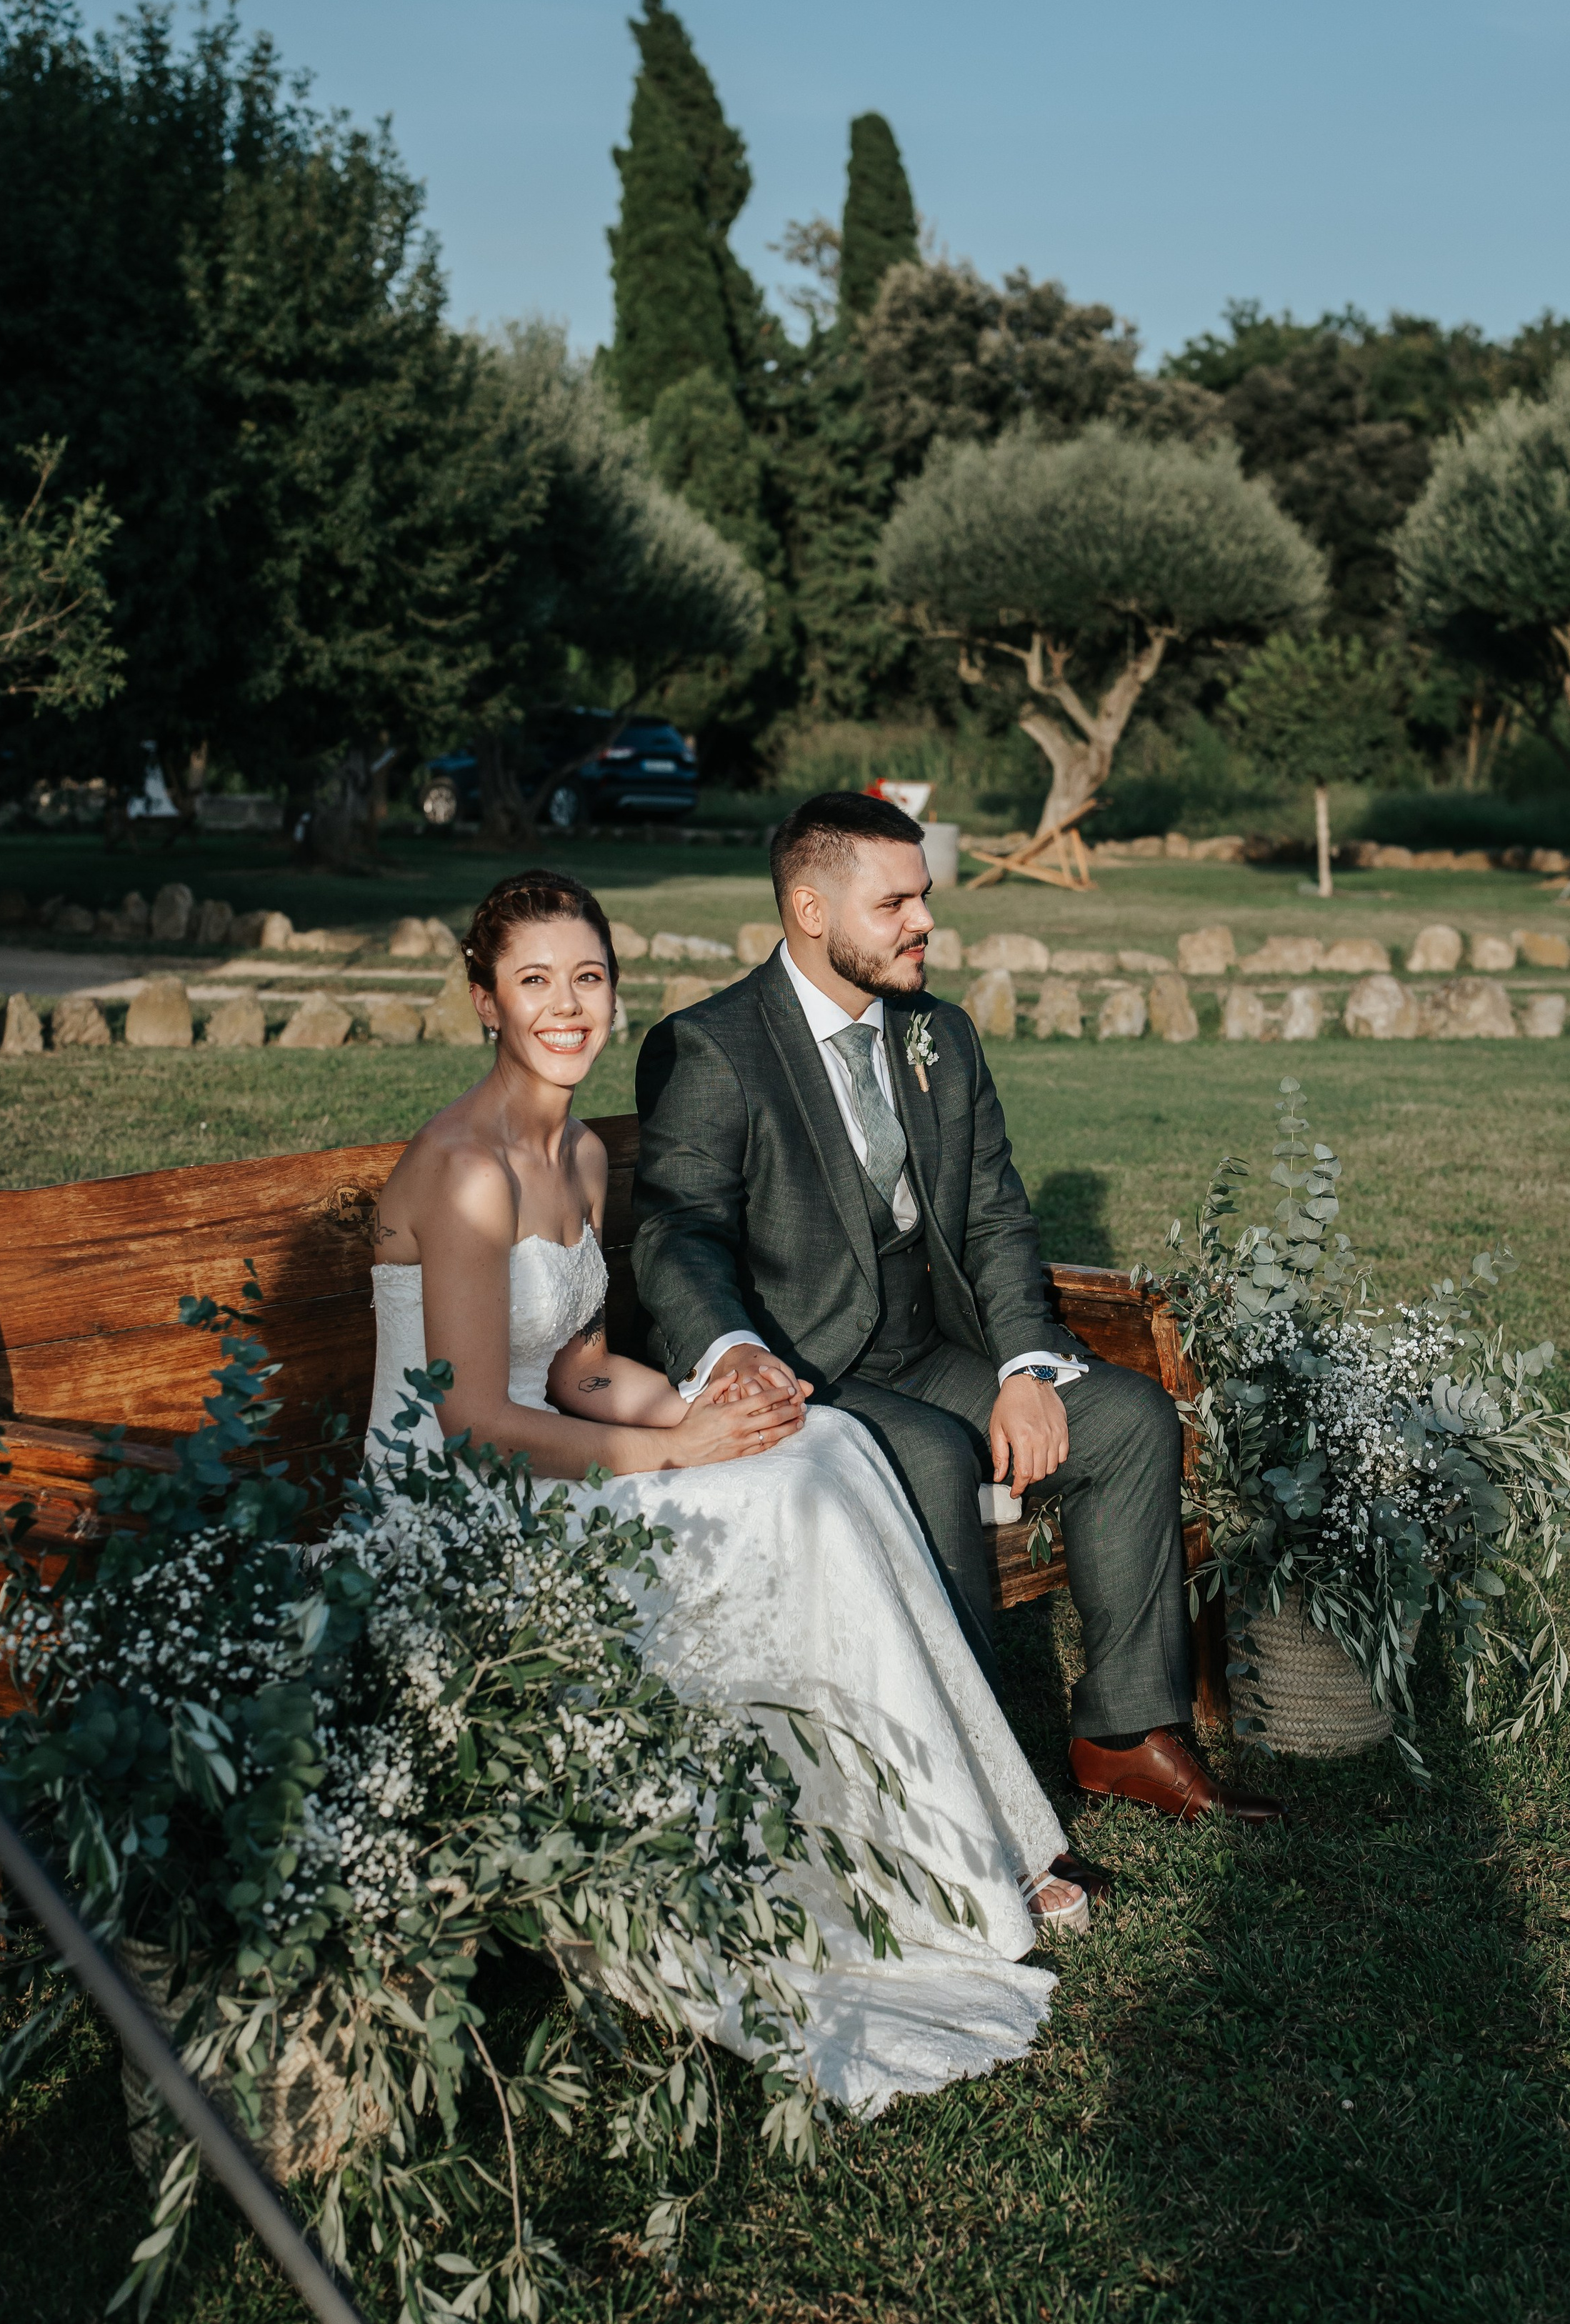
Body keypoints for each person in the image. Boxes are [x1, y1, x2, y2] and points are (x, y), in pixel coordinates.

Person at [364, 866, 1093, 2120]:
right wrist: (679, 1454)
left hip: (558, 1444)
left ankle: (951, 1849)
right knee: (783, 1504)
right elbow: (474, 1418)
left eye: (587, 978)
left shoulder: (580, 1153)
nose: (567, 1006)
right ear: (484, 1000)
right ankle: (883, 1869)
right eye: (534, 981)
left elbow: (584, 1369)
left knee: (824, 1452)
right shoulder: (468, 1167)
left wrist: (723, 1410)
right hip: (460, 1503)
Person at [632, 789, 1282, 1828]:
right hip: (805, 1371)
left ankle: (1125, 1733)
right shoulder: (711, 1047)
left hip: (926, 1347)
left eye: (923, 898)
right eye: (895, 904)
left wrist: (1027, 1367)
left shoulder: (942, 1034)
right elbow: (679, 1230)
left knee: (1128, 1421)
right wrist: (734, 1351)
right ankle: (975, 1791)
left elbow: (995, 1219)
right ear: (810, 910)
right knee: (932, 1456)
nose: (925, 923)